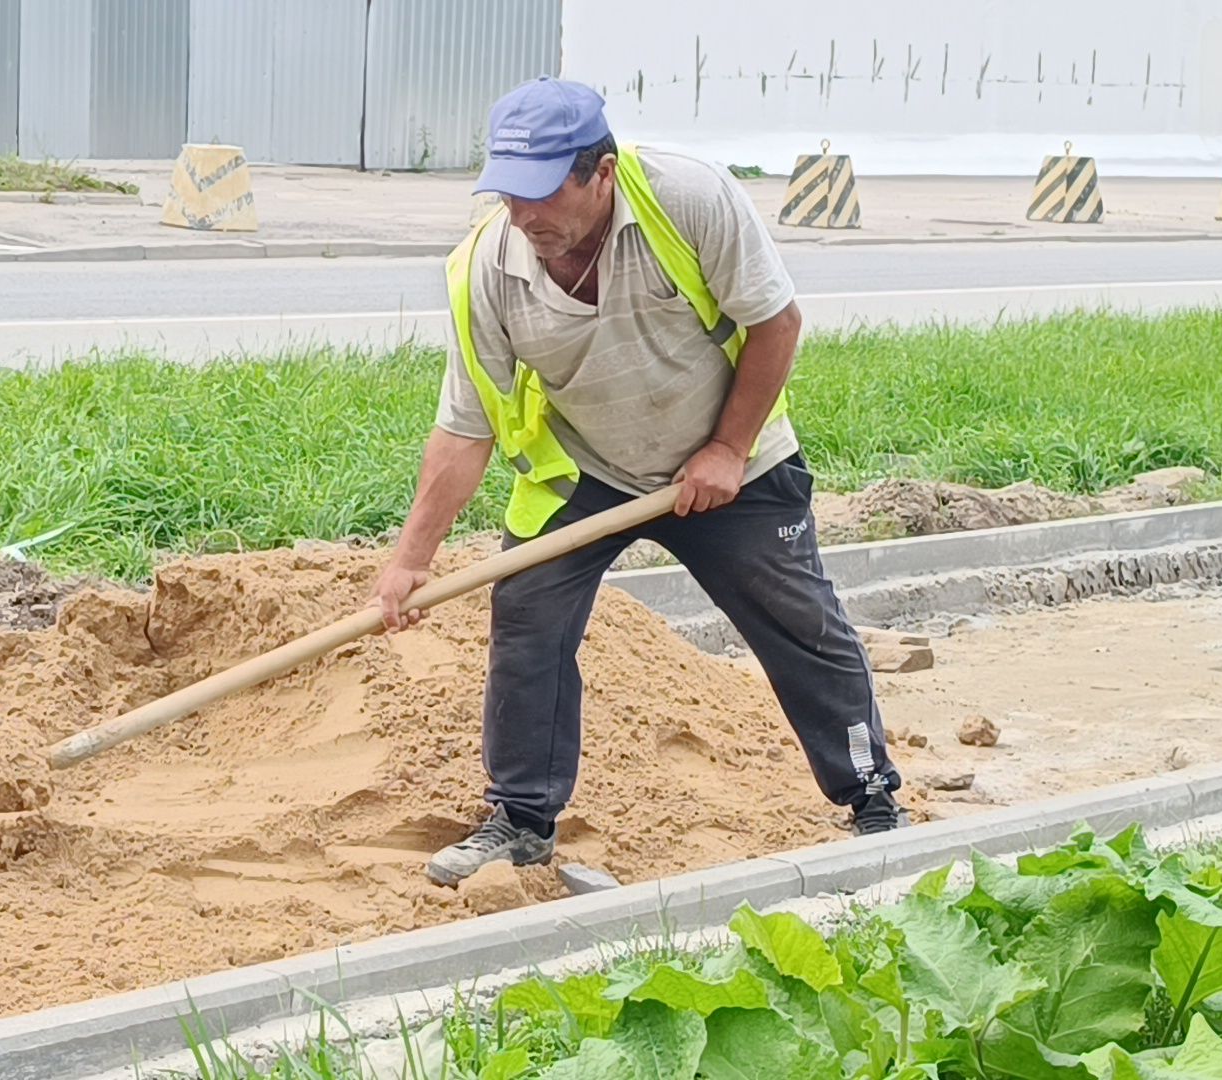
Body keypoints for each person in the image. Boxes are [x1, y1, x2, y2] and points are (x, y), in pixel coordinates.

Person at [369, 76, 909, 888]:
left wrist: (727, 448)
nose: (523, 216)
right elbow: (465, 426)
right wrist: (411, 561)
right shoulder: (487, 267)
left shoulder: (689, 200)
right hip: (588, 469)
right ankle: (520, 820)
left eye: (542, 193)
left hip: (732, 461)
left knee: (798, 620)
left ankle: (870, 796)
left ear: (602, 172)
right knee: (527, 617)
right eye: (509, 194)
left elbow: (776, 323)